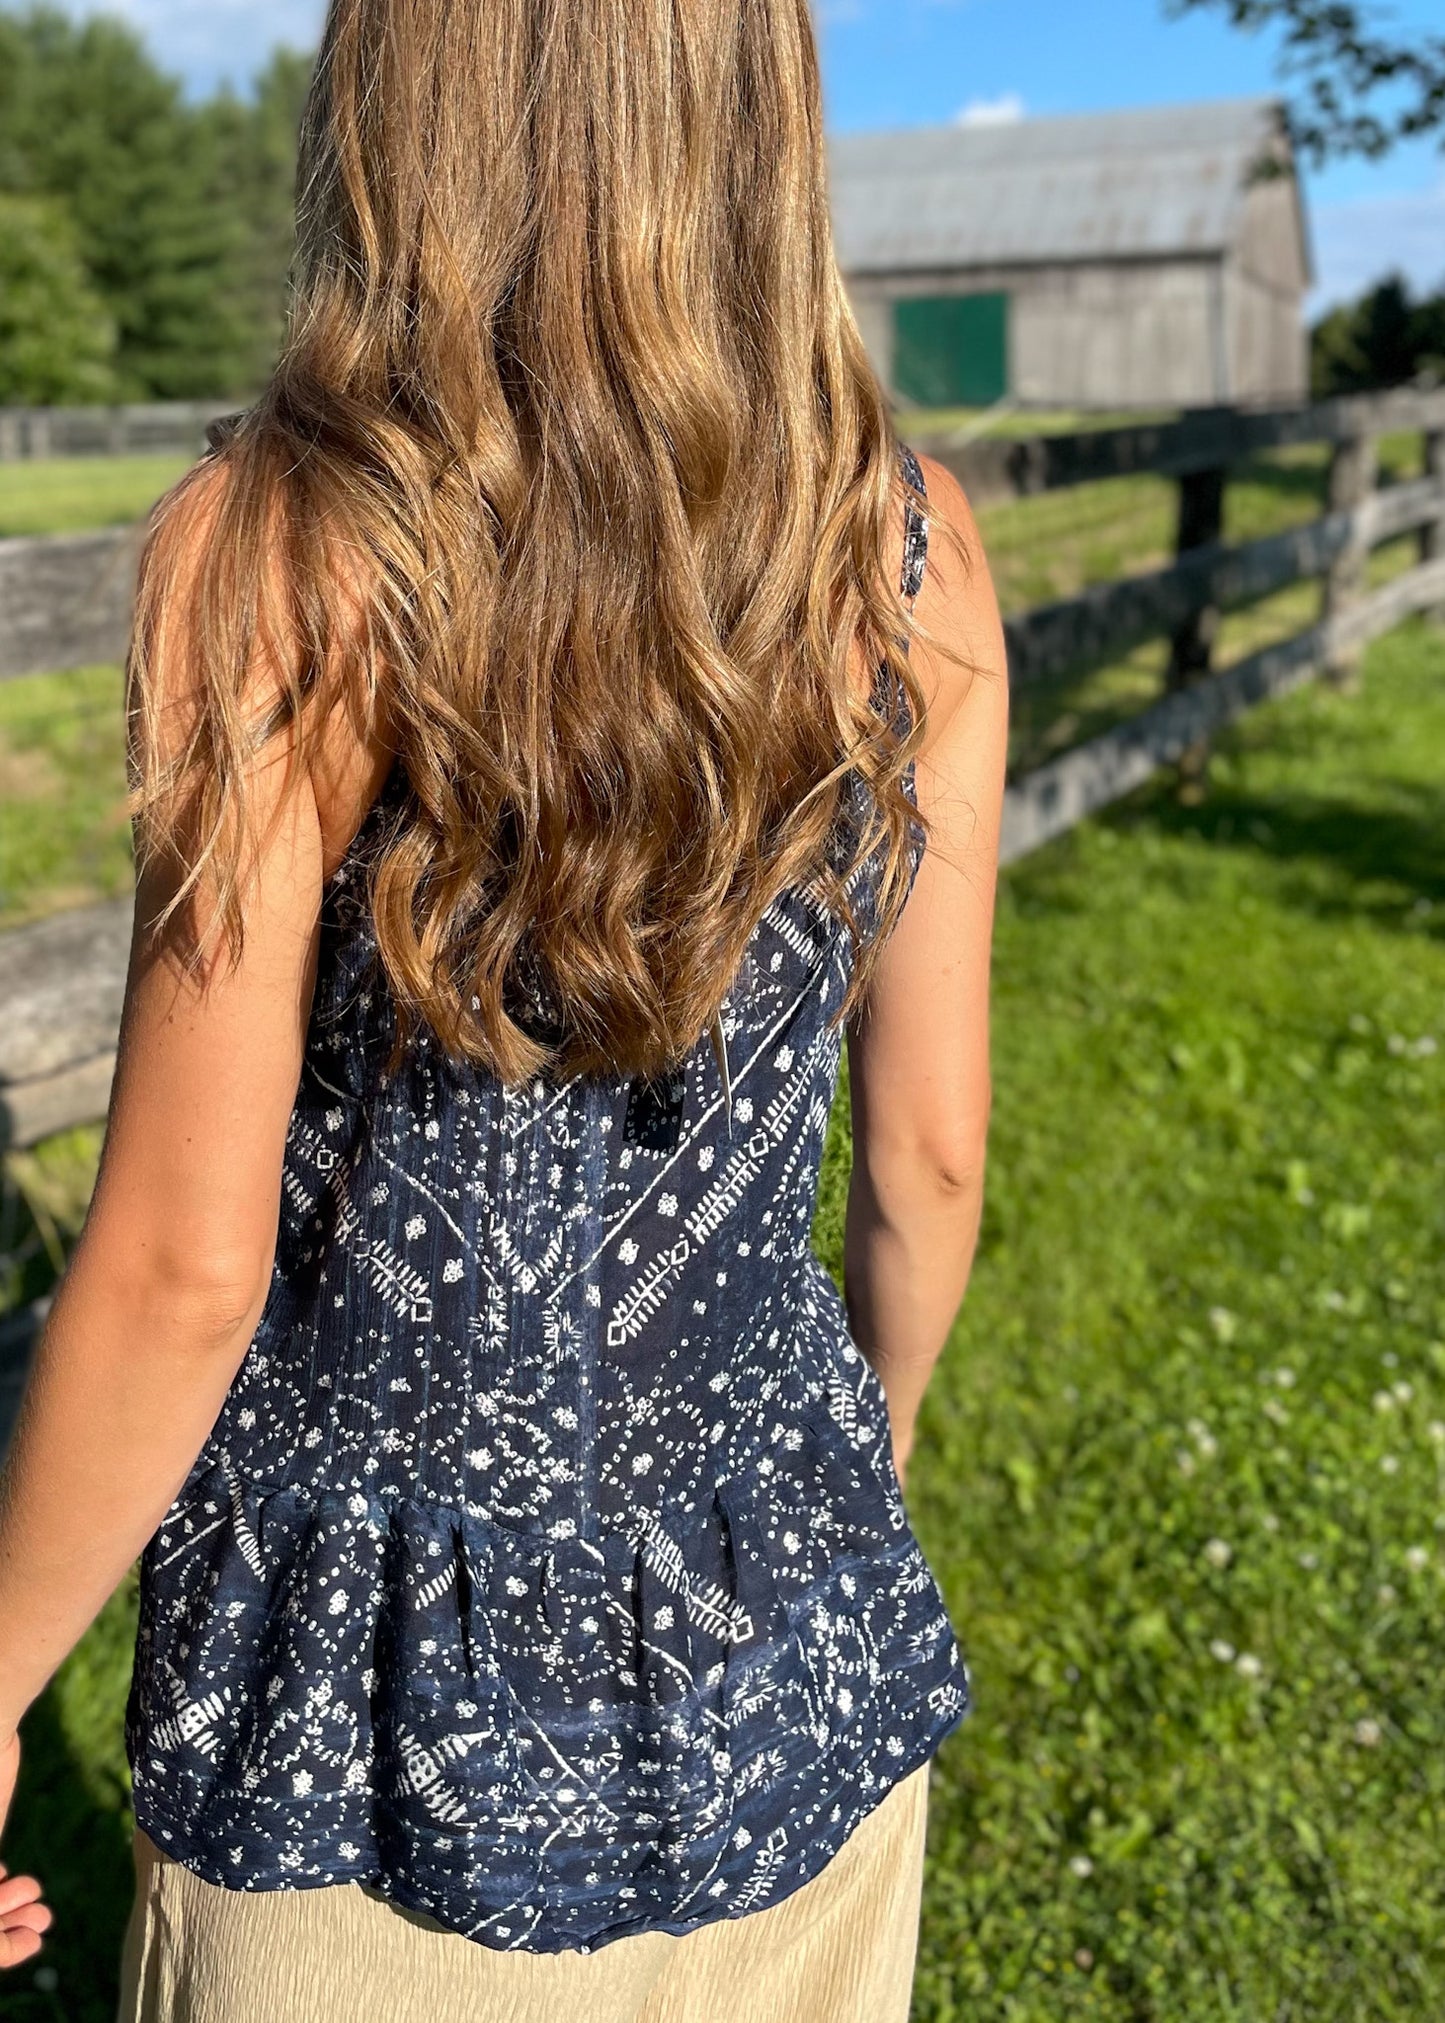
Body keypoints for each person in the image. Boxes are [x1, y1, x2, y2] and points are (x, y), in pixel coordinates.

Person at [0, 0, 1007, 2015]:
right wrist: (846, 1461)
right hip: (793, 1684)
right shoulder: (908, 541)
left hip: (367, 1738)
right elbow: (930, 1148)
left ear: (399, 99)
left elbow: (189, 1264)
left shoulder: (285, 548)